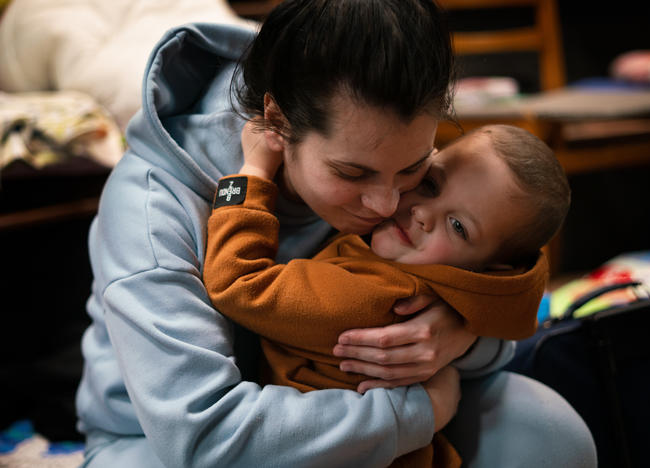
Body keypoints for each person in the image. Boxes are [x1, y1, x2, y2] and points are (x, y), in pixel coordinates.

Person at [75, 1, 597, 466]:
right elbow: (205, 439)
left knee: (549, 433)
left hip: (349, 400)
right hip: (168, 444)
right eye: (353, 175)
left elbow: (504, 295)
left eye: (416, 168)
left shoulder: (402, 180)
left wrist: (453, 335)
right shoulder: (151, 207)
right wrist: (420, 409)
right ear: (276, 121)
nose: (389, 205)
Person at [202, 123, 571, 467]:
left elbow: (239, 284)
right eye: (429, 184)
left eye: (458, 226)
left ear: (493, 270)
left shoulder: (375, 296)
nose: (423, 212)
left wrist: (251, 174)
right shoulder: (416, 275)